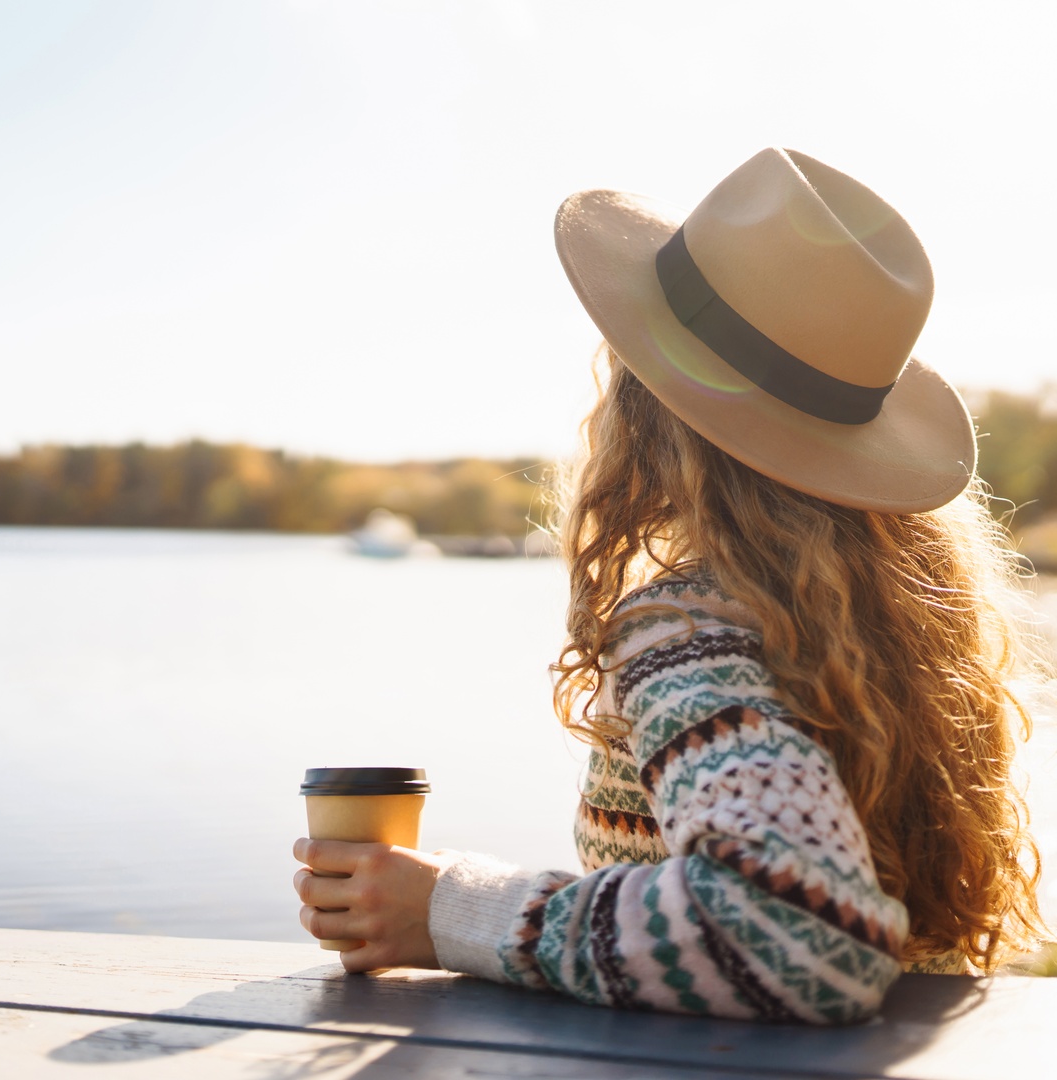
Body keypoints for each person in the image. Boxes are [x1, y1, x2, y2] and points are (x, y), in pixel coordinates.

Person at [293, 148, 1049, 1023]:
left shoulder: (690, 625)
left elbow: (800, 931)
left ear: (650, 410)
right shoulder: (891, 614)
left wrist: (449, 910)